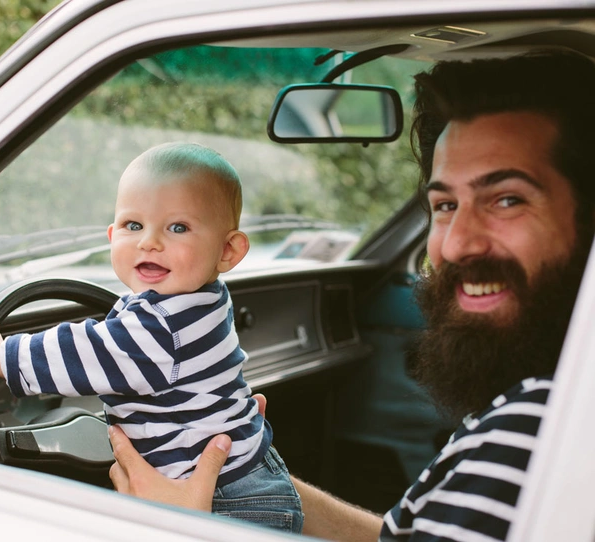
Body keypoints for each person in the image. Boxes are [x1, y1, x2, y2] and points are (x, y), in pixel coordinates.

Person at [105, 50, 595, 541]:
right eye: (445, 205)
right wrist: (246, 482)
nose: (457, 242)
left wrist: (179, 529)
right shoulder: (547, 404)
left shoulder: (533, 436)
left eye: (507, 199)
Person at [0, 142, 303, 533]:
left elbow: (88, 352)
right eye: (133, 226)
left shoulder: (163, 329)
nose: (148, 242)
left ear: (227, 250)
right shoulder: (199, 299)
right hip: (245, 476)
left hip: (228, 498)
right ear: (111, 234)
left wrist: (1, 353)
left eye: (178, 227)